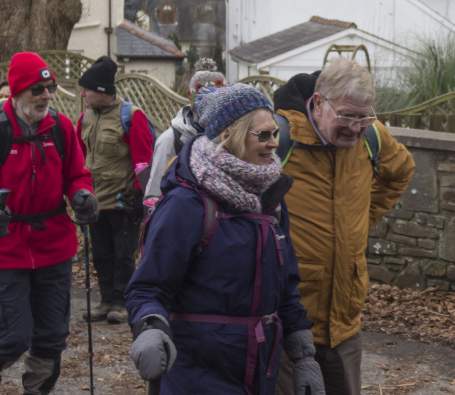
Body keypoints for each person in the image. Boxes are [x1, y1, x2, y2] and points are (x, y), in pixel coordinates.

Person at [125, 84, 324, 394]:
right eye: (263, 135)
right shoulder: (186, 204)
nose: (274, 144)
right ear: (229, 136)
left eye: (276, 134)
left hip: (260, 371)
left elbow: (285, 286)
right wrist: (149, 328)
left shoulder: (270, 198)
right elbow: (149, 285)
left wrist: (303, 355)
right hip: (196, 374)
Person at [0, 51, 98, 394]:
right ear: (17, 93)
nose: (46, 96)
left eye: (49, 88)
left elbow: (77, 175)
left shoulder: (61, 128)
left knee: (51, 337)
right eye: (37, 89)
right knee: (10, 338)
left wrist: (82, 195)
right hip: (5, 248)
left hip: (54, 246)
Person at [273, 59, 415, 395]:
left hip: (343, 323)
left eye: (364, 116)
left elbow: (402, 170)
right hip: (284, 323)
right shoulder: (279, 137)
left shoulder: (371, 137)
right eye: (348, 116)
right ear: (319, 103)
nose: (356, 127)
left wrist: (359, 222)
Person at [76, 56, 154, 324]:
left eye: (87, 89)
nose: (83, 94)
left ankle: (122, 303)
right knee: (101, 254)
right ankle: (106, 300)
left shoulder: (132, 117)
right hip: (95, 203)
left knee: (123, 256)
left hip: (123, 203)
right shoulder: (84, 119)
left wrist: (139, 197)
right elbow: (79, 157)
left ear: (101, 91)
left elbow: (144, 161)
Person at [144, 69, 226, 208]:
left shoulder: (232, 136)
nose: (210, 102)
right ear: (190, 95)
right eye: (202, 95)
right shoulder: (171, 139)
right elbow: (154, 194)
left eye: (218, 96)